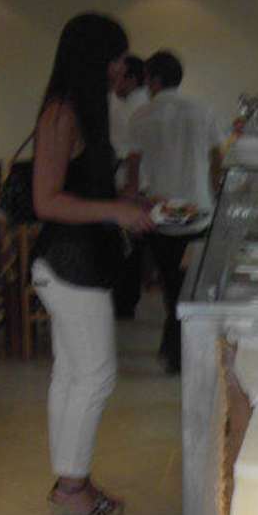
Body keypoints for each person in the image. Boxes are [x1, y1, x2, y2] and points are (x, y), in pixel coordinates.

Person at [31, 12, 153, 515]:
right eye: (117, 57)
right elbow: (46, 201)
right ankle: (72, 488)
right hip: (69, 265)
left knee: (72, 375)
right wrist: (115, 211)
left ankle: (70, 482)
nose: (122, 67)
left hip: (75, 263)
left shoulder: (82, 109)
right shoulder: (63, 112)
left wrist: (129, 202)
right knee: (96, 376)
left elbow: (84, 188)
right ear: (95, 58)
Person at [126, 50, 223, 373]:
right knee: (192, 285)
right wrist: (215, 190)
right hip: (199, 210)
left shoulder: (141, 115)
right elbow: (217, 157)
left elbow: (133, 164)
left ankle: (175, 351)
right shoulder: (203, 109)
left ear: (154, 80)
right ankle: (181, 351)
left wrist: (131, 200)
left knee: (170, 284)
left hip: (162, 212)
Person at [109, 54, 150, 319]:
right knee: (131, 245)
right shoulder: (133, 104)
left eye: (120, 77)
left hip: (129, 183)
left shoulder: (133, 108)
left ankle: (124, 301)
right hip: (136, 182)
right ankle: (127, 300)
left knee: (127, 245)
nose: (115, 82)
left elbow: (130, 152)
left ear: (132, 79)